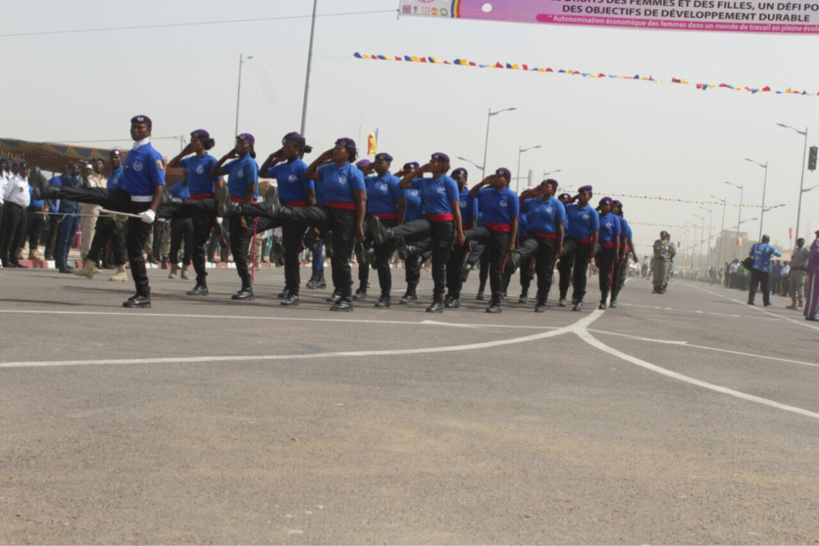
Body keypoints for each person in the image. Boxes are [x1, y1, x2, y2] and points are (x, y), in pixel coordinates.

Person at [47, 116, 166, 306]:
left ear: (149, 129)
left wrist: (152, 210)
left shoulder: (152, 155)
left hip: (144, 205)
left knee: (134, 250)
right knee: (98, 194)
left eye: (139, 127)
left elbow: (159, 185)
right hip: (128, 200)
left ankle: (144, 294)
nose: (135, 130)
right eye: (133, 127)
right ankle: (55, 190)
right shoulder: (133, 153)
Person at [369, 152, 464, 313]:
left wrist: (460, 232)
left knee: (439, 264)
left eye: (433, 161)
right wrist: (419, 169)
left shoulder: (448, 183)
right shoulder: (425, 182)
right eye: (430, 161)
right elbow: (403, 183)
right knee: (412, 226)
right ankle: (388, 233)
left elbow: (456, 209)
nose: (430, 163)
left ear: (442, 165)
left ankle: (438, 300)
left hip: (445, 223)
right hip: (429, 219)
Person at [458, 168, 518, 313]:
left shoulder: (510, 196)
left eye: (500, 177)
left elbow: (515, 220)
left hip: (502, 233)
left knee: (496, 269)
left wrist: (512, 241)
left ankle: (496, 302)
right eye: (495, 176)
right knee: (471, 233)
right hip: (488, 229)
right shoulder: (487, 192)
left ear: (507, 180)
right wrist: (482, 182)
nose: (497, 179)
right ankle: (460, 236)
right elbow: (472, 194)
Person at [209, 134, 259, 301]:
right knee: (236, 248)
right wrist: (226, 156)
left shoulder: (250, 163)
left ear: (250, 145)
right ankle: (245, 286)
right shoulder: (235, 163)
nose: (239, 145)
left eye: (243, 143)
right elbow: (214, 172)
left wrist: (243, 213)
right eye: (237, 143)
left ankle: (247, 287)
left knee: (240, 248)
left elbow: (251, 188)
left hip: (245, 207)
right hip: (233, 207)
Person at [503, 179, 564, 312]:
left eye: (547, 186)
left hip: (549, 240)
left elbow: (560, 226)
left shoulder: (557, 205)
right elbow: (518, 202)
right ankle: (515, 257)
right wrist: (531, 192)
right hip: (534, 235)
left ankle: (542, 301)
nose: (544, 188)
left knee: (544, 272)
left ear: (553, 189)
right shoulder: (533, 202)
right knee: (527, 247)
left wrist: (559, 245)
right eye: (542, 186)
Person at [359, 153, 405, 307]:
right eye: (376, 163)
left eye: (381, 163)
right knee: (361, 252)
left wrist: (398, 229)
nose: (378, 165)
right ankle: (362, 287)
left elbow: (402, 205)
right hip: (370, 220)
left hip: (387, 223)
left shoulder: (394, 181)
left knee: (382, 260)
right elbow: (357, 177)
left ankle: (385, 295)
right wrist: (368, 168)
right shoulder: (369, 180)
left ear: (389, 165)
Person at [557, 185, 599, 311]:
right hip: (571, 240)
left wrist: (593, 248)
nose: (582, 196)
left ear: (590, 197)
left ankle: (578, 299)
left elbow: (595, 231)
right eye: (580, 194)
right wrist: (573, 198)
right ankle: (562, 296)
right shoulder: (571, 208)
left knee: (580, 272)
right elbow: (560, 204)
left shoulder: (592, 213)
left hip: (584, 244)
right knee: (565, 268)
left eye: (585, 194)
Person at [443, 167, 477, 308]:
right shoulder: (446, 195)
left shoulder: (470, 197)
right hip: (447, 234)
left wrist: (469, 240)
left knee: (457, 266)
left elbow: (473, 220)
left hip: (462, 236)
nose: (456, 180)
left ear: (466, 180)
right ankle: (448, 293)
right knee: (448, 266)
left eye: (459, 177)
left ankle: (455, 295)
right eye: (454, 177)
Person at [1, 162, 31, 268]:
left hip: (23, 209)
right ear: (20, 170)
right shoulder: (15, 180)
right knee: (9, 234)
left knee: (20, 234)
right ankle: (4, 258)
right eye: (24, 169)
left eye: (27, 169)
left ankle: (14, 258)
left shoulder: (26, 181)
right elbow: (6, 195)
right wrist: (11, 205)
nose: (25, 171)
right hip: (13, 207)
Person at [595, 197, 620, 309]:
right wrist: (597, 208)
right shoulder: (597, 217)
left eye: (607, 205)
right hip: (598, 246)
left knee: (604, 274)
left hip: (609, 249)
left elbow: (617, 237)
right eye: (602, 205)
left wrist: (617, 252)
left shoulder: (614, 219)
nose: (604, 207)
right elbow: (592, 212)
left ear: (610, 207)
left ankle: (604, 299)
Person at [167, 179, 192, 280]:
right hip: (177, 217)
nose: (187, 175)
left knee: (189, 244)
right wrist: (167, 218)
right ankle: (173, 268)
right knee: (175, 243)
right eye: (185, 173)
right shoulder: (176, 187)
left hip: (191, 218)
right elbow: (169, 202)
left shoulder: (195, 186)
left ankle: (185, 269)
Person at [747, 234, 781, 306]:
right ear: (768, 241)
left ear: (762, 239)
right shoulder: (769, 247)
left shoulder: (755, 245)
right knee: (765, 286)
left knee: (754, 285)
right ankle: (766, 302)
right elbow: (779, 254)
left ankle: (750, 300)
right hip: (764, 269)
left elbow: (750, 253)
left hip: (755, 268)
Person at [787, 238, 809, 310]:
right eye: (798, 242)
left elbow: (811, 258)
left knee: (800, 288)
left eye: (800, 242)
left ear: (803, 243)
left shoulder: (805, 251)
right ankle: (794, 303)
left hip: (800, 271)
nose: (798, 243)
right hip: (793, 270)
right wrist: (789, 272)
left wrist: (806, 266)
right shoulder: (795, 250)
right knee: (792, 288)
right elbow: (792, 261)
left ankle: (801, 304)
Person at [804, 230, 819, 321]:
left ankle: (810, 311)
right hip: (815, 270)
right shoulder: (818, 241)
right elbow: (816, 253)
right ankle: (810, 314)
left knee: (815, 293)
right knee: (814, 293)